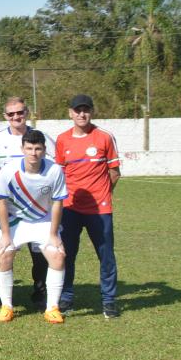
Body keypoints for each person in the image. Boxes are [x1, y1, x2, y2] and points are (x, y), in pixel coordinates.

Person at [55, 94, 121, 318]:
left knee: (106, 255)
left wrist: (102, 194)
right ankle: (66, 296)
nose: (81, 114)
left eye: (86, 110)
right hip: (70, 207)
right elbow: (60, 173)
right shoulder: (63, 139)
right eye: (77, 110)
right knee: (67, 254)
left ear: (92, 111)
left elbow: (114, 172)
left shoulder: (104, 137)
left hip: (100, 210)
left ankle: (109, 300)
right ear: (70, 113)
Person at [0, 130, 68, 323]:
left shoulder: (54, 170)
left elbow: (58, 203)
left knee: (58, 256)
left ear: (44, 150)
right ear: (22, 149)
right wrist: (5, 235)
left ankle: (52, 308)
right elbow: (0, 203)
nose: (33, 153)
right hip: (15, 221)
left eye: (38, 149)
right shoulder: (9, 171)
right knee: (4, 254)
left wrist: (53, 234)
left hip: (43, 220)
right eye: (29, 148)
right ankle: (6, 307)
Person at [0, 96, 56, 306]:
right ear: (5, 116)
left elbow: (55, 168)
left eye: (20, 112)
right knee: (6, 250)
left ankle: (40, 289)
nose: (16, 117)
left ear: (26, 112)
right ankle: (6, 301)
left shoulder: (41, 137)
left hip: (39, 208)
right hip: (8, 207)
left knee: (40, 252)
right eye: (11, 114)